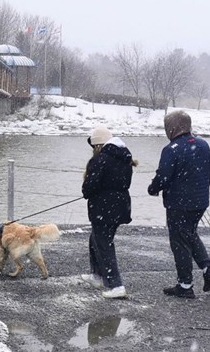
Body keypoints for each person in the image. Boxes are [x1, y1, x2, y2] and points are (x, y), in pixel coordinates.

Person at [148, 110, 210, 299]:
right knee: (190, 233)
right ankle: (208, 270)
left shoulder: (171, 149)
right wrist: (199, 190)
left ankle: (185, 285)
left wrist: (153, 188)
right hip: (200, 202)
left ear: (172, 128)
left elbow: (163, 176)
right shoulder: (203, 144)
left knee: (179, 242)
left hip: (179, 204)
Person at [80, 126, 136, 299]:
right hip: (120, 206)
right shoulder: (125, 157)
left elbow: (89, 188)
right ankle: (97, 275)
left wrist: (87, 187)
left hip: (103, 208)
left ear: (98, 145)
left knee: (104, 244)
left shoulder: (100, 160)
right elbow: (123, 182)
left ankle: (116, 285)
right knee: (96, 239)